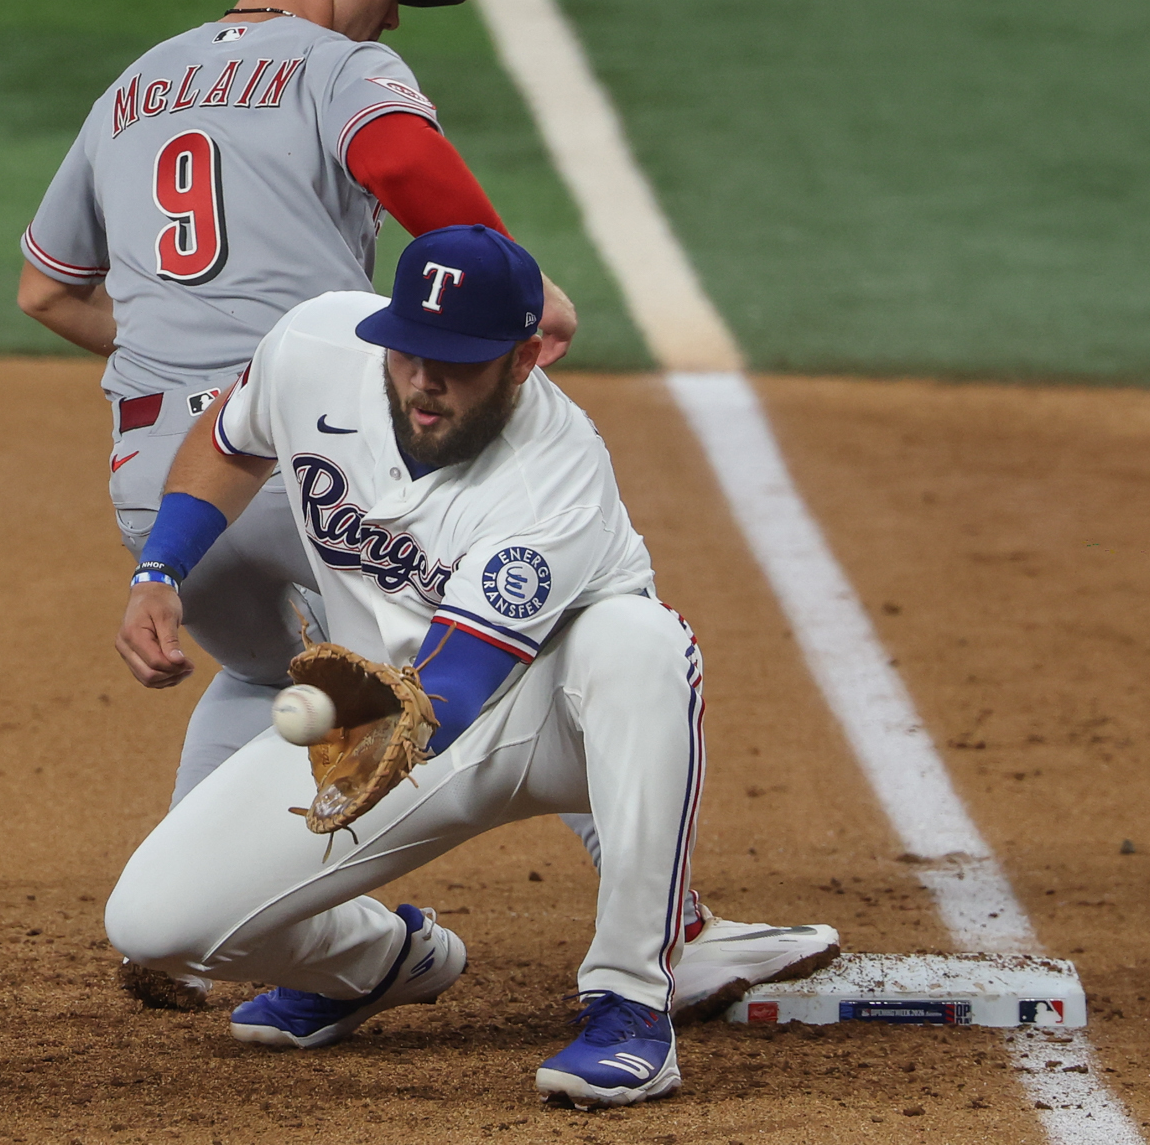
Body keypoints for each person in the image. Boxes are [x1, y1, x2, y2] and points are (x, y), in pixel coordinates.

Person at [20, 0, 832, 1015]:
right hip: (313, 451)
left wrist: (179, 360)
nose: (395, 14)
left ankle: (216, 937)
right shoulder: (340, 66)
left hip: (160, 481)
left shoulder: (131, 87)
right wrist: (520, 285)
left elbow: (46, 291)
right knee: (542, 632)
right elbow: (402, 161)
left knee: (269, 670)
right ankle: (674, 935)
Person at [107, 227, 722, 1106]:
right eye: (409, 351)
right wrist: (160, 570)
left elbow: (457, 684)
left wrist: (351, 719)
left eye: (458, 362)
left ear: (522, 359)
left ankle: (631, 1002)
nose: (425, 381)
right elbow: (233, 440)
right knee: (151, 924)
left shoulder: (554, 473)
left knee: (640, 642)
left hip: (553, 720)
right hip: (383, 715)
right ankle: (375, 963)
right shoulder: (316, 343)